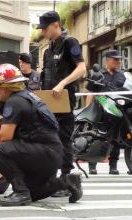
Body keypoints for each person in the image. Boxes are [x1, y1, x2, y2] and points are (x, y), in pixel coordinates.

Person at [0, 63, 83, 206]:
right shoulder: (28, 96)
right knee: (35, 193)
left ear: (5, 87)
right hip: (50, 154)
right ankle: (66, 181)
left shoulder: (14, 102)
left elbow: (4, 137)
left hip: (43, 153)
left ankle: (20, 192)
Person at [38, 11, 87, 197]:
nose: (43, 31)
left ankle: (68, 182)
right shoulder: (48, 49)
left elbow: (82, 67)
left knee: (63, 140)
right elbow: (45, 76)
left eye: (45, 27)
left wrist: (63, 83)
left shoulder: (69, 42)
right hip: (48, 102)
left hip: (64, 100)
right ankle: (53, 179)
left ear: (56, 25)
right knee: (50, 140)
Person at [86, 50, 126, 175]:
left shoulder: (122, 75)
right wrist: (88, 109)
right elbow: (90, 93)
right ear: (107, 60)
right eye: (116, 60)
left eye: (119, 59)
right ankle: (92, 165)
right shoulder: (97, 74)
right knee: (96, 138)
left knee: (116, 140)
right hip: (100, 111)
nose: (118, 62)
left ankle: (113, 166)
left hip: (116, 111)